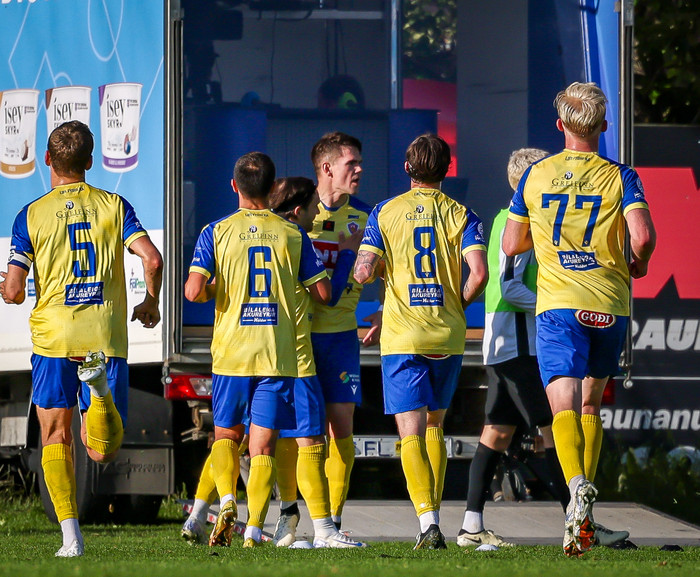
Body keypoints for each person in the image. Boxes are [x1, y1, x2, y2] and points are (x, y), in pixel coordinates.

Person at [503, 82, 656, 556]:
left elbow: (511, 244)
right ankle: (584, 519)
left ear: (560, 126)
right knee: (590, 405)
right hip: (608, 303)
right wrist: (639, 263)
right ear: (603, 127)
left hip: (559, 304)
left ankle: (576, 492)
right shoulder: (621, 176)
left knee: (563, 407)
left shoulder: (536, 174)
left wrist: (547, 237)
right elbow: (643, 237)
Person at [0, 120, 163, 558]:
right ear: (90, 161)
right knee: (101, 452)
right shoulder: (114, 205)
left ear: (47, 159)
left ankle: (70, 538)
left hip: (54, 339)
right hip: (103, 337)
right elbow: (152, 259)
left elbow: (14, 291)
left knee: (55, 436)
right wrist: (150, 302)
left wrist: (5, 288)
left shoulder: (30, 214)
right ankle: (101, 394)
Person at [184, 153, 331, 548]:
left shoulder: (215, 231)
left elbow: (193, 291)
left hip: (231, 354)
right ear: (272, 188)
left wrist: (219, 289)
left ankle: (226, 501)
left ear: (234, 186)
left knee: (226, 436)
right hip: (275, 355)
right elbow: (322, 292)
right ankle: (252, 532)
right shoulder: (293, 234)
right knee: (263, 445)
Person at [354, 133, 488, 549]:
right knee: (435, 425)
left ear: (407, 169)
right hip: (446, 333)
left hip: (404, 335)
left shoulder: (384, 212)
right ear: (447, 169)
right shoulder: (463, 214)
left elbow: (363, 272)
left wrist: (375, 267)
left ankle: (428, 523)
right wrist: (457, 305)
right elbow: (479, 274)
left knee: (410, 431)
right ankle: (436, 518)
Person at [458, 148, 571, 548]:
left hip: (504, 344)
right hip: (517, 346)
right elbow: (509, 286)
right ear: (529, 182)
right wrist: (550, 304)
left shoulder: (507, 218)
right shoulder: (521, 223)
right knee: (553, 430)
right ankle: (580, 523)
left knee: (497, 432)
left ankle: (471, 526)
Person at [308, 131, 380, 531]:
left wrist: (384, 310)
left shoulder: (368, 217)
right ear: (327, 168)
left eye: (360, 162)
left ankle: (333, 520)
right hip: (299, 336)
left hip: (341, 337)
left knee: (341, 427)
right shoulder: (300, 214)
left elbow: (392, 268)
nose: (359, 169)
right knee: (303, 431)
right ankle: (292, 515)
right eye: (351, 163)